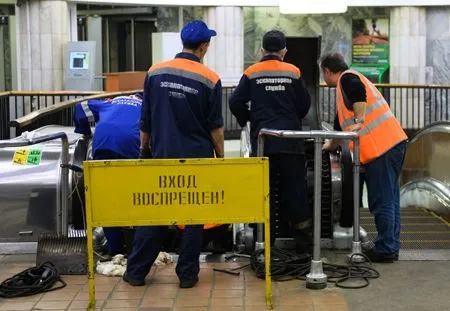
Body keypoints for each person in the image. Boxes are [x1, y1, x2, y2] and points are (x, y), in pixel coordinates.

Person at [124, 20, 224, 288]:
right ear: (203, 46)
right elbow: (215, 126)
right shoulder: (210, 79)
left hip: (163, 155)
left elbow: (145, 119)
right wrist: (221, 157)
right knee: (193, 216)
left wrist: (144, 150)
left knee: (157, 210)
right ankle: (187, 275)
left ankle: (135, 272)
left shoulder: (155, 72)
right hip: (197, 158)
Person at [229, 30, 312, 255]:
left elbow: (235, 101)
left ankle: (264, 244)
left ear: (262, 50)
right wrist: (291, 116)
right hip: (291, 142)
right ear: (284, 51)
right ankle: (303, 246)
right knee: (294, 192)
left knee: (265, 192)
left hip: (264, 143)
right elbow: (305, 104)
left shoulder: (252, 72)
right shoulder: (293, 71)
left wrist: (248, 119)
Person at [320, 53, 408, 263]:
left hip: (381, 149)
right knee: (391, 198)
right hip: (392, 144)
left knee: (382, 200)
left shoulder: (348, 78)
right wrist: (329, 145)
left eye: (323, 74)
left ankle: (386, 249)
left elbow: (358, 95)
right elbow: (339, 125)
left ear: (328, 71)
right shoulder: (344, 91)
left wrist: (359, 120)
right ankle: (390, 245)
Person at [73, 93, 143, 257]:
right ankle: (136, 250)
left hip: (103, 146)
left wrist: (86, 132)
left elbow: (80, 106)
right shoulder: (146, 105)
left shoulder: (109, 102)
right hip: (131, 148)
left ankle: (115, 250)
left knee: (108, 200)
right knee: (137, 198)